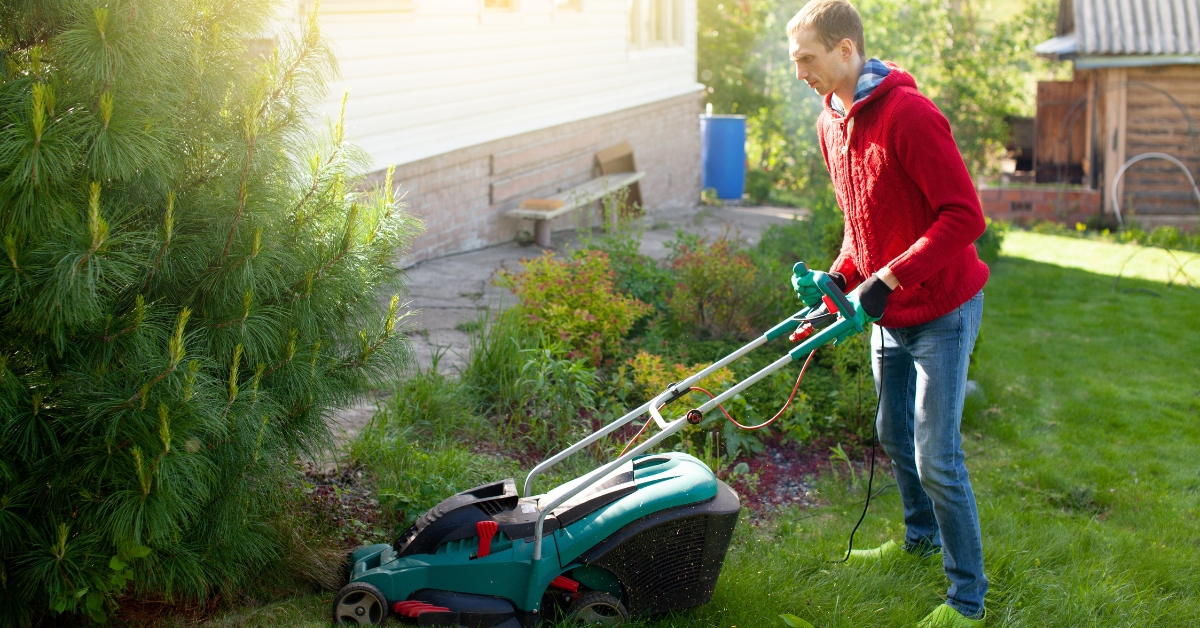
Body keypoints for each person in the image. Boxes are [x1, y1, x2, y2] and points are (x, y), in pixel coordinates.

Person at [785, 1, 991, 626]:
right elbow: (861, 227)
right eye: (795, 61)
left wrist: (890, 278)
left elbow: (965, 217)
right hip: (888, 311)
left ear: (845, 49)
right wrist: (840, 279)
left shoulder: (910, 115)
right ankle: (919, 539)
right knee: (894, 435)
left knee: (936, 456)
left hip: (943, 308)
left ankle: (967, 600)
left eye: (807, 59)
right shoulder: (831, 125)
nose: (800, 73)